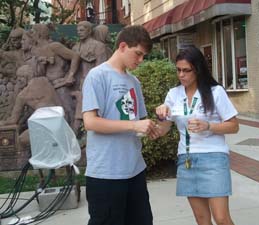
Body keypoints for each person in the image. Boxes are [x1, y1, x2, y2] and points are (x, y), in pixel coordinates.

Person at [82, 25, 159, 225]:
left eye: (143, 56)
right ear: (123, 46)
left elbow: (137, 122)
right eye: (138, 54)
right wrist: (134, 126)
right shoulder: (97, 76)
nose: (140, 60)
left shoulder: (134, 82)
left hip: (135, 170)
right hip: (106, 173)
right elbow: (90, 122)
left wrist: (155, 124)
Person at [155, 46, 239, 225]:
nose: (181, 75)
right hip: (186, 159)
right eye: (178, 70)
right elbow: (162, 130)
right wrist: (160, 115)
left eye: (186, 70)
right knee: (201, 220)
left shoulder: (215, 92)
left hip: (214, 158)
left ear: (198, 70)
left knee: (222, 218)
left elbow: (234, 126)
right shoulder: (173, 94)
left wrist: (208, 125)